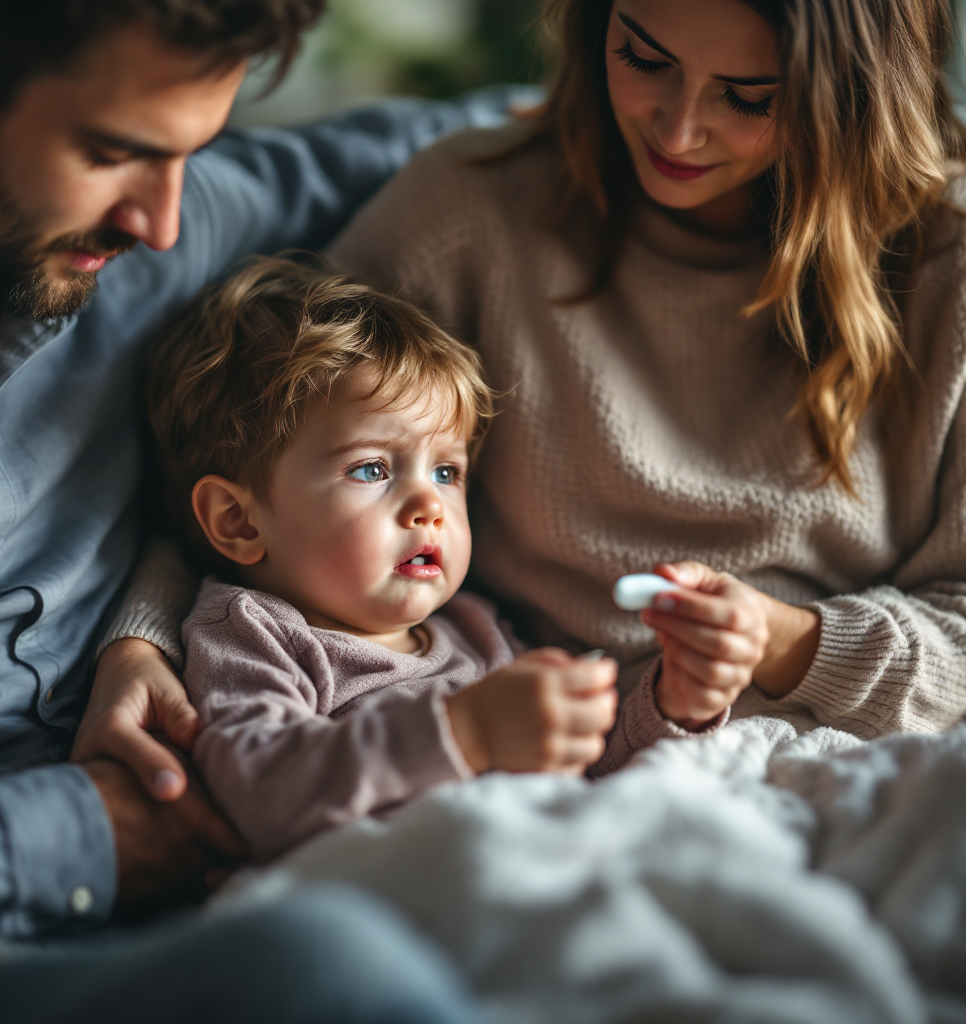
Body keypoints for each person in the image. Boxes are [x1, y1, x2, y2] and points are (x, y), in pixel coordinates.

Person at [0, 0, 521, 1018]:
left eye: (190, 153)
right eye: (114, 151)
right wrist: (88, 835)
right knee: (333, 967)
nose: (162, 225)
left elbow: (458, 135)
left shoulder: (152, 233)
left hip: (248, 883)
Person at [319, 0, 966, 769]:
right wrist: (174, 664)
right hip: (536, 758)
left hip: (835, 761)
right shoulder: (464, 211)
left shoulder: (947, 267)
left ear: (854, 99)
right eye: (645, 60)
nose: (678, 131)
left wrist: (778, 640)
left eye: (748, 98)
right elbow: (261, 465)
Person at [143, 258, 619, 858]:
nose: (430, 506)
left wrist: (674, 703)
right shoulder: (254, 635)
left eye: (446, 472)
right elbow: (260, 791)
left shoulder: (476, 627)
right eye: (372, 469)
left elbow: (591, 766)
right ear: (238, 520)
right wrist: (467, 732)